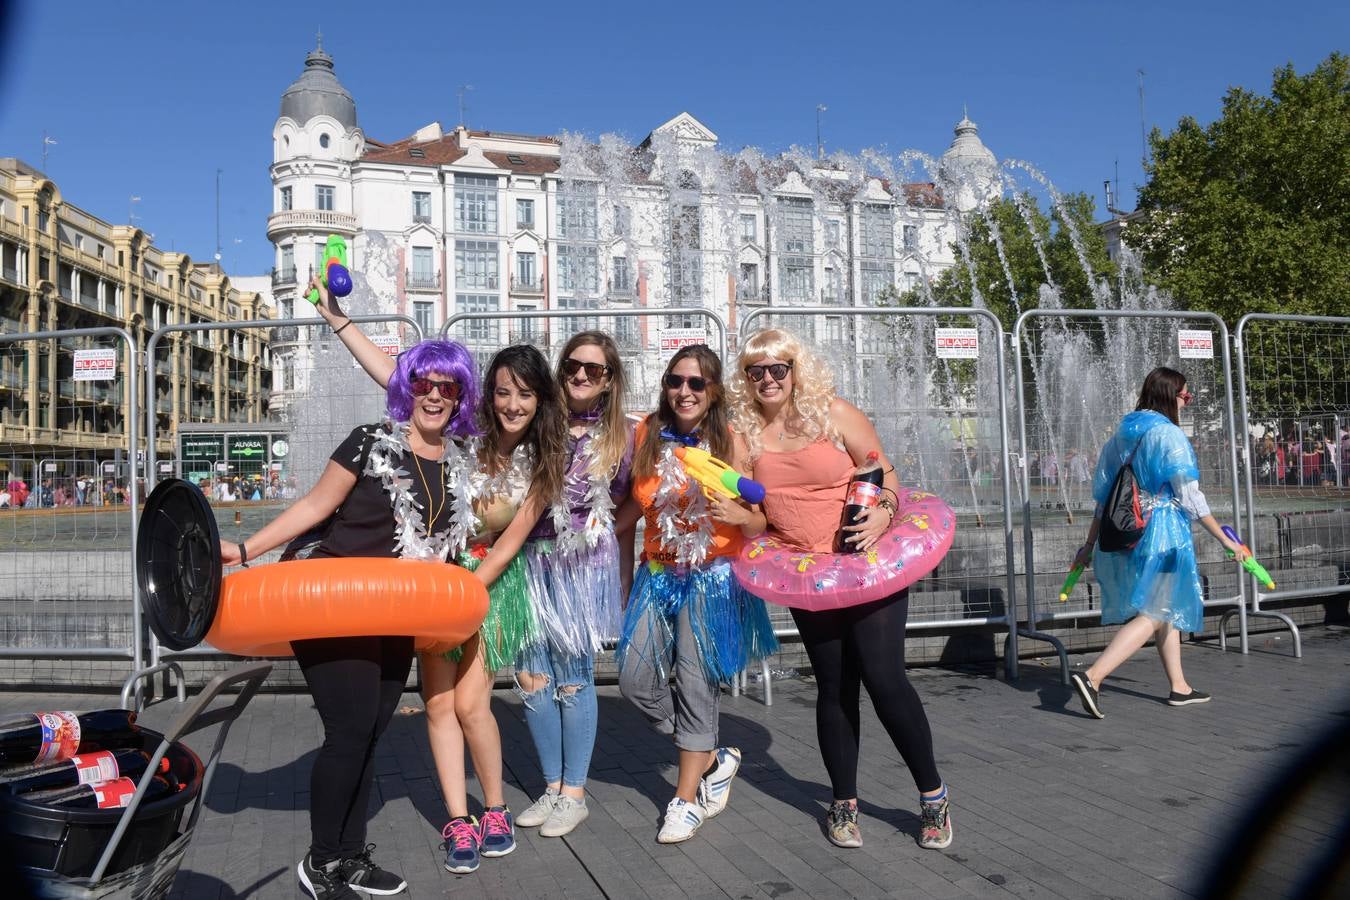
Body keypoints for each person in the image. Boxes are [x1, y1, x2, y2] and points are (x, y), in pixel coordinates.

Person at [311, 283, 567, 874]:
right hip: (435, 577)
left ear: (539, 401)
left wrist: (470, 590)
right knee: (438, 704)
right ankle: (458, 819)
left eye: (524, 395)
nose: (511, 404)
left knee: (474, 705)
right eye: (502, 392)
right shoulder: (463, 433)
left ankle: (495, 807)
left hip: (486, 588)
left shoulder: (545, 463)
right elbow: (400, 378)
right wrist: (340, 322)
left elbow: (510, 541)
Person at [220, 336, 482, 900]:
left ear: (460, 395)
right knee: (348, 732)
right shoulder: (371, 442)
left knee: (372, 732)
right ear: (405, 386)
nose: (433, 395)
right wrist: (245, 551)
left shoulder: (459, 461)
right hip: (332, 604)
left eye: (447, 386)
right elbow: (315, 506)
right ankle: (320, 863)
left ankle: (350, 858)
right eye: (422, 382)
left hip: (396, 612)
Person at [728, 327, 952, 851]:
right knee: (833, 686)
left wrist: (883, 515)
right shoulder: (742, 435)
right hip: (808, 570)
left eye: (777, 368)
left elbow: (884, 472)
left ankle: (933, 796)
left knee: (883, 678)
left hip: (866, 560)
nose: (767, 379)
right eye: (755, 371)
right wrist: (739, 517)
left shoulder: (834, 413)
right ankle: (843, 803)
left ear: (795, 370)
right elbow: (757, 519)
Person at [613, 345, 778, 844]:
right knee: (634, 679)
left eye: (696, 384)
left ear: (713, 393)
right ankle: (709, 753)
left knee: (695, 680)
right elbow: (631, 511)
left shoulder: (734, 441)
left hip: (712, 575)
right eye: (675, 381)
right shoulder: (644, 434)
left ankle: (684, 800)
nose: (683, 391)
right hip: (658, 571)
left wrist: (741, 518)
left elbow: (763, 519)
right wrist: (594, 549)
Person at [1068, 366, 1243, 721]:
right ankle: (1093, 676)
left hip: (1134, 531)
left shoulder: (1121, 436)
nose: (1188, 402)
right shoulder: (1169, 435)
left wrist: (1088, 545)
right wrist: (1227, 540)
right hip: (1164, 532)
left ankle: (1179, 686)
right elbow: (1190, 498)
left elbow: (1104, 499)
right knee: (1155, 612)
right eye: (1186, 396)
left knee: (1163, 609)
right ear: (1170, 396)